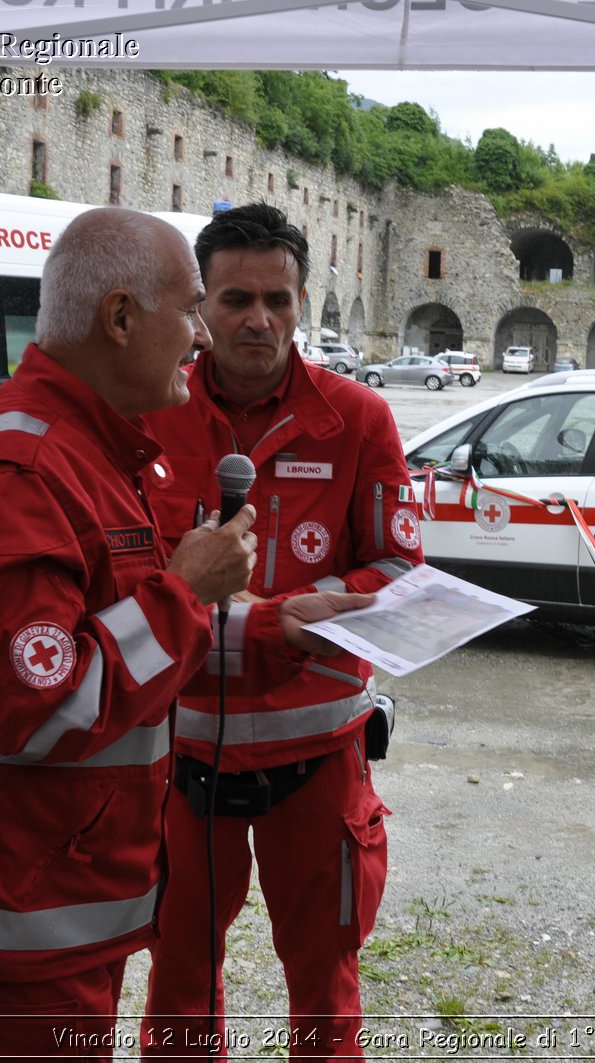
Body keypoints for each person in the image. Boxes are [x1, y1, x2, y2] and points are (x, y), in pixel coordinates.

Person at [0, 208, 261, 1059]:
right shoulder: (24, 471)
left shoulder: (85, 450)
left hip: (51, 900)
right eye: (189, 310)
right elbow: (43, 708)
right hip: (14, 918)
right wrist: (184, 596)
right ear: (119, 318)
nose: (200, 337)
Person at [140, 202, 422, 1060]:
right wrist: (257, 618)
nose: (258, 319)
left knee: (326, 986)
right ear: (201, 308)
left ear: (303, 302)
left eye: (278, 299)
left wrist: (315, 607)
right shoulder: (153, 407)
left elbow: (400, 568)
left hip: (319, 758)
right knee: (180, 979)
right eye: (234, 300)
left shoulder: (360, 416)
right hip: (182, 757)